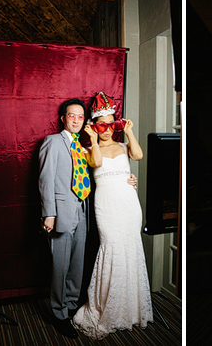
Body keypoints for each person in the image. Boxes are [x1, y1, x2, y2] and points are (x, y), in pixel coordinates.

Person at [39, 97, 137, 339]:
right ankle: (58, 313)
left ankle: (71, 305)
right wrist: (49, 214)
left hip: (84, 211)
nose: (76, 119)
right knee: (60, 267)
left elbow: (100, 171)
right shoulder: (52, 142)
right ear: (63, 118)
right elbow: (45, 180)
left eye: (80, 116)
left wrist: (129, 180)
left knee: (77, 265)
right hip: (61, 214)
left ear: (85, 120)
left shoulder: (84, 145)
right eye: (71, 115)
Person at [71, 92, 153, 339]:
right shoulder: (87, 148)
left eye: (111, 124)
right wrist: (94, 140)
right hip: (106, 205)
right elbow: (95, 163)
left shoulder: (124, 145)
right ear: (95, 126)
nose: (107, 130)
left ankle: (129, 308)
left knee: (130, 248)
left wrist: (129, 132)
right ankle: (105, 307)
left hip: (129, 204)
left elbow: (138, 156)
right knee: (111, 247)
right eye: (101, 125)